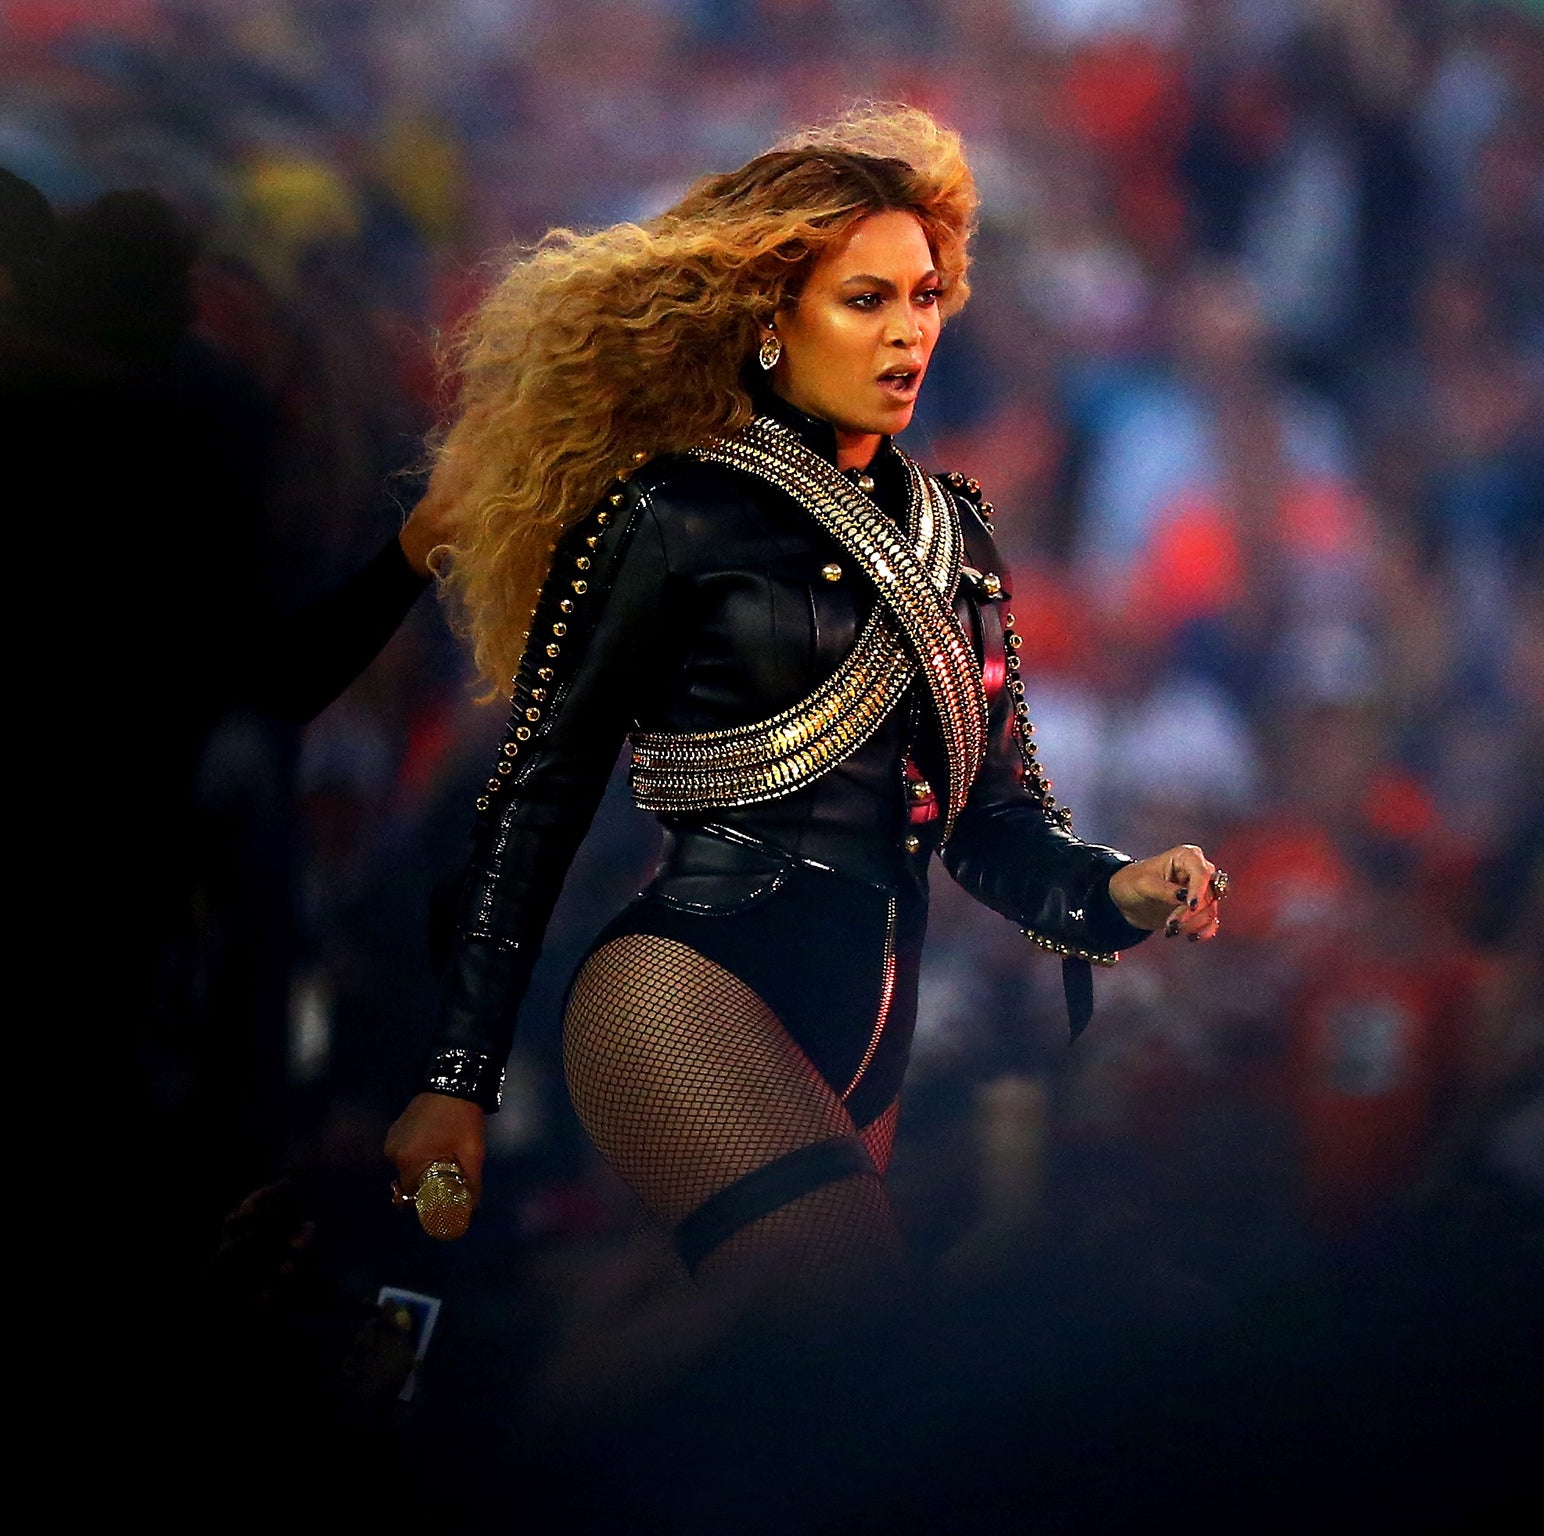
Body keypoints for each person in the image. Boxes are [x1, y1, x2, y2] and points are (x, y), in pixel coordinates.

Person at [383, 104, 1230, 1310]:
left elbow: (987, 820)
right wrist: (457, 1074)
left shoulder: (958, 529)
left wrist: (1109, 888)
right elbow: (539, 796)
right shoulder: (668, 518)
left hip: (870, 1014)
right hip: (682, 989)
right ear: (769, 320)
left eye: (924, 297)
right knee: (838, 1308)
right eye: (864, 300)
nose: (907, 334)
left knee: (745, 1372)